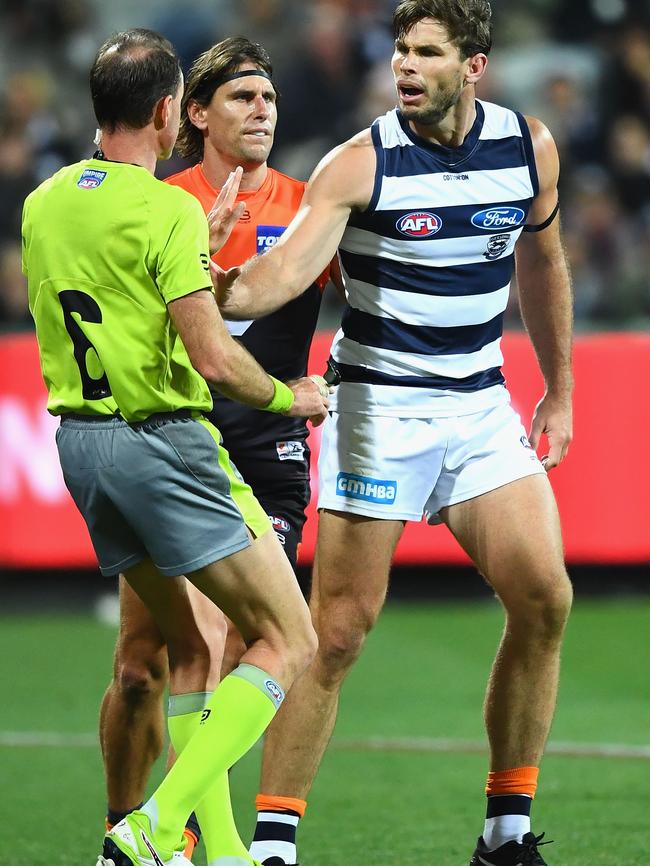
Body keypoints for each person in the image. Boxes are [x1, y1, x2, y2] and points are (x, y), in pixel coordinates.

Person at [215, 2, 574, 864]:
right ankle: (275, 842)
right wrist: (205, 284)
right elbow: (281, 276)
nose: (405, 67)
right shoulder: (358, 163)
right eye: (400, 51)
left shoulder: (530, 148)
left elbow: (542, 261)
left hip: (479, 405)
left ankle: (506, 831)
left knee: (545, 596)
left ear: (475, 64)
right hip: (376, 408)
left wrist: (559, 390)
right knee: (337, 630)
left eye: (427, 52)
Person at [21, 28, 329, 866]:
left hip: (82, 449)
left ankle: (221, 851)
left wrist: (197, 235)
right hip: (165, 443)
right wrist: (287, 395)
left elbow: (111, 308)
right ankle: (153, 828)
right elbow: (215, 358)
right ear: (169, 113)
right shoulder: (165, 209)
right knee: (290, 637)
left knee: (190, 647)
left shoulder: (43, 201)